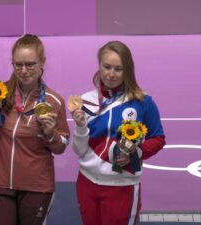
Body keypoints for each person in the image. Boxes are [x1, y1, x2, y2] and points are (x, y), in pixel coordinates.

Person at [0, 34, 70, 225]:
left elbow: (61, 147)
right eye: (18, 65)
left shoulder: (54, 101)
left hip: (37, 187)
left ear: (42, 62)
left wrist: (51, 134)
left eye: (30, 64)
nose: (24, 70)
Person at [68, 41, 165, 225]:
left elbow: (158, 138)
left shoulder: (143, 101)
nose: (111, 74)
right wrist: (80, 126)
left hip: (122, 188)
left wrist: (136, 154)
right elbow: (80, 151)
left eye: (118, 69)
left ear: (127, 70)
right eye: (107, 67)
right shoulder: (86, 101)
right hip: (86, 184)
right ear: (99, 66)